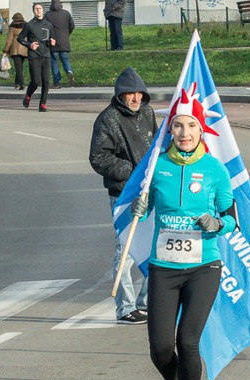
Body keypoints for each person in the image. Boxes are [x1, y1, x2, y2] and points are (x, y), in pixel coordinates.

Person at [131, 86, 237, 380]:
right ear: (170, 130)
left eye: (192, 126)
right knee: (161, 348)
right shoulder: (156, 165)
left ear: (201, 129)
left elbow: (231, 215)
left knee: (187, 341)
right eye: (178, 126)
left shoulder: (214, 169)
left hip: (203, 267)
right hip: (164, 268)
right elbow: (140, 205)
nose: (185, 133)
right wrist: (140, 208)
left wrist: (219, 223)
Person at [89, 67, 155, 324]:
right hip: (124, 194)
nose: (136, 98)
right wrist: (131, 171)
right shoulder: (108, 119)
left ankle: (147, 303)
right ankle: (125, 307)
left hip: (149, 191)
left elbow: (155, 145)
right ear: (120, 95)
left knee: (153, 247)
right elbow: (98, 157)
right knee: (125, 251)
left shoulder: (147, 113)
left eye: (140, 93)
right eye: (130, 94)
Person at [17, 3, 54, 113]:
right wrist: (29, 45)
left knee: (46, 81)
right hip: (34, 56)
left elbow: (52, 37)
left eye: (40, 9)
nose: (38, 11)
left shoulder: (48, 25)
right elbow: (20, 38)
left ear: (43, 10)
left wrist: (53, 41)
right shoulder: (29, 25)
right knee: (36, 81)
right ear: (33, 11)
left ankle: (42, 104)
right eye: (36, 9)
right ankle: (28, 95)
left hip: (46, 55)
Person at [44, 0, 74, 89]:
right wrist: (66, 34)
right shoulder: (66, 13)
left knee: (54, 62)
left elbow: (45, 28)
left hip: (53, 42)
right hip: (64, 41)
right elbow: (72, 26)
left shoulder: (47, 14)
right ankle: (69, 71)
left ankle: (57, 82)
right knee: (65, 59)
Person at [3, 12, 28, 91]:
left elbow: (9, 40)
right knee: (20, 67)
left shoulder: (12, 27)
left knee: (18, 68)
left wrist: (5, 50)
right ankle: (17, 83)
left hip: (15, 49)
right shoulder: (27, 26)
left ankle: (22, 84)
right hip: (25, 48)